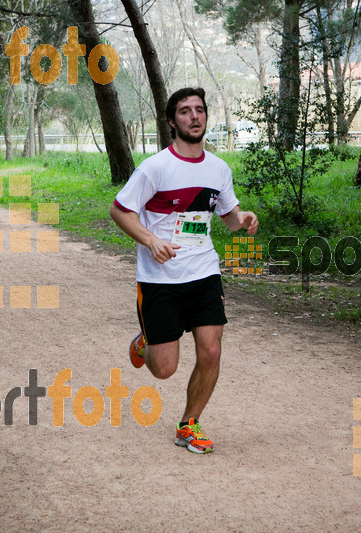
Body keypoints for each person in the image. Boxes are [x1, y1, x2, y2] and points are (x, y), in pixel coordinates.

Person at [109, 87, 258, 454]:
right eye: (185, 111)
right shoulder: (156, 167)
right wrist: (150, 240)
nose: (194, 116)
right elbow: (120, 210)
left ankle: (189, 425)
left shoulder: (218, 168)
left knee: (211, 352)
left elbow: (227, 215)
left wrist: (243, 220)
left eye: (199, 110)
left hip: (204, 271)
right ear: (172, 121)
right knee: (163, 369)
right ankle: (147, 343)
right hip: (159, 278)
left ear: (206, 117)